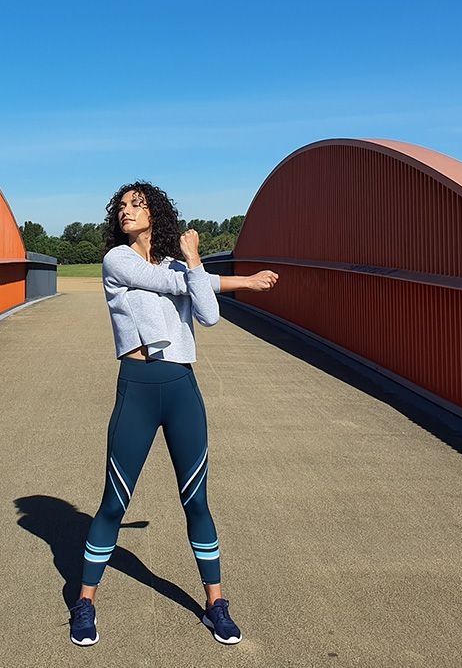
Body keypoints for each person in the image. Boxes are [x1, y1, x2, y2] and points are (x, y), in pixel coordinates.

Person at [68, 181, 279, 647]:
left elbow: (208, 314)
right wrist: (216, 274)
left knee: (197, 500)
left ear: (154, 213)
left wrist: (209, 269)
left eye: (136, 205)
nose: (126, 211)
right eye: (121, 206)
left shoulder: (179, 266)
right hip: (139, 386)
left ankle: (215, 603)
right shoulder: (117, 260)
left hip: (182, 388)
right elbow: (171, 283)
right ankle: (85, 602)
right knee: (113, 503)